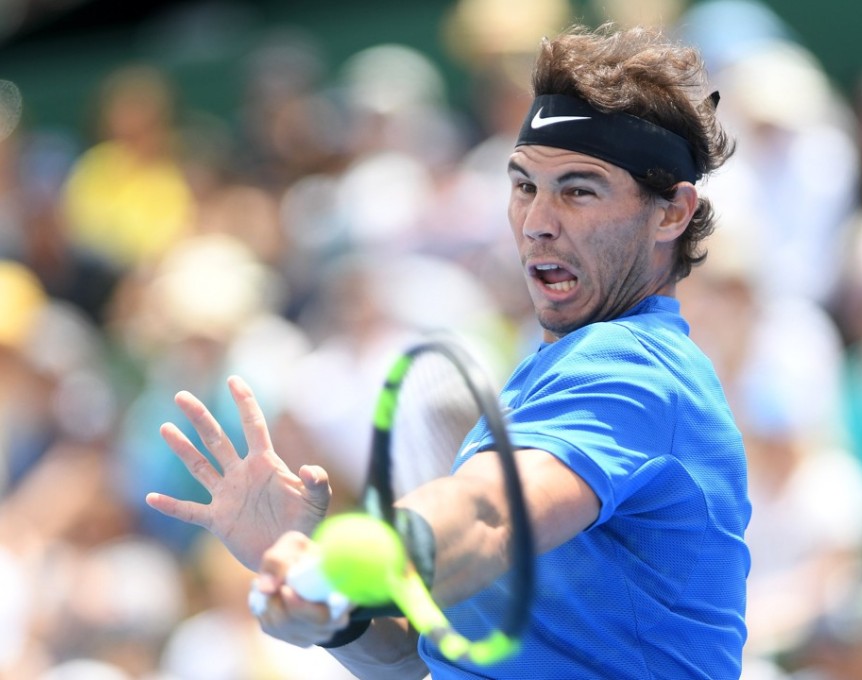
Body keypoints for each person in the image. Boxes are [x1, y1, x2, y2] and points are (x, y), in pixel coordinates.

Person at [145, 24, 750, 679]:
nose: (538, 221)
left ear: (671, 213)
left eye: (580, 189)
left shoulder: (633, 368)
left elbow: (490, 515)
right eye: (524, 186)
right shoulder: (549, 375)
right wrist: (332, 603)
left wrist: (350, 561)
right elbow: (422, 660)